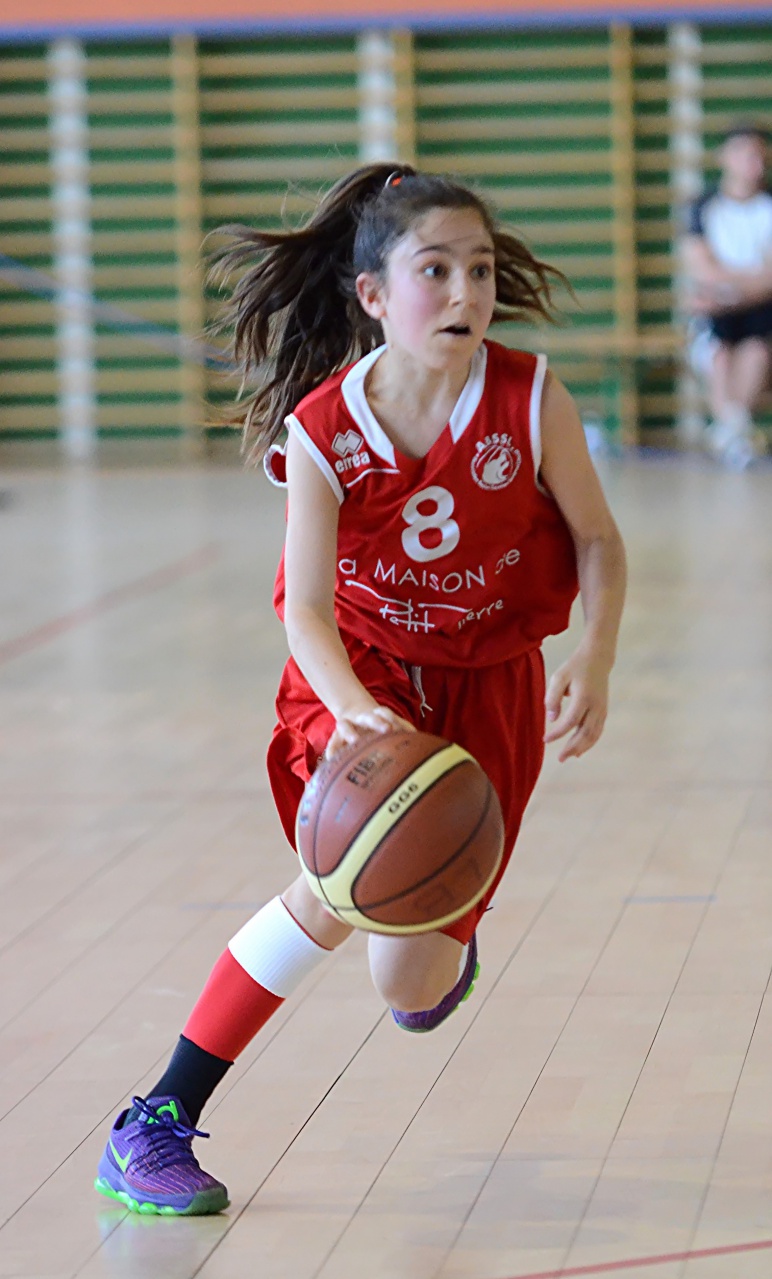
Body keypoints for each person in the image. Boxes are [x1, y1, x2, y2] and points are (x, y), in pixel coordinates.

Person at [94, 164, 627, 1216]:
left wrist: (596, 654)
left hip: (488, 682)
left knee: (409, 983)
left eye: (480, 270)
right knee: (331, 889)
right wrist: (350, 707)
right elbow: (303, 609)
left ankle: (436, 935)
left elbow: (599, 541)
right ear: (374, 293)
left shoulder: (530, 398)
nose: (466, 292)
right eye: (437, 270)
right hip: (359, 671)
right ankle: (154, 1118)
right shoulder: (325, 427)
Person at [684, 123, 772, 469]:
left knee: (756, 351)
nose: (753, 162)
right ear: (725, 157)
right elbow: (703, 271)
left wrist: (727, 293)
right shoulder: (703, 207)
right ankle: (736, 434)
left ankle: (728, 433)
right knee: (718, 353)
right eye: (745, 154)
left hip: (757, 313)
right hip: (714, 315)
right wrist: (753, 278)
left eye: (759, 155)